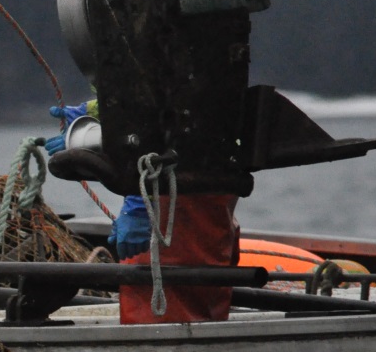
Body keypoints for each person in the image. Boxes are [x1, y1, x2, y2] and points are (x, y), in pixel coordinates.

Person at [47, 101, 238, 324]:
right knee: (203, 291)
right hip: (212, 171)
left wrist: (141, 202)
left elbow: (170, 96)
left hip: (181, 182)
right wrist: (102, 109)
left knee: (162, 301)